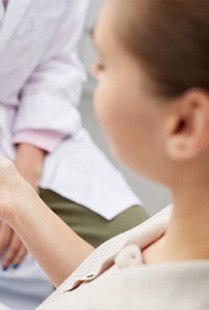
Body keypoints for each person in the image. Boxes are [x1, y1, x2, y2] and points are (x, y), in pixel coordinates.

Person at [0, 0, 209, 309]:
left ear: (184, 125)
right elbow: (105, 287)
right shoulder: (177, 228)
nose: (93, 70)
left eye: (104, 63)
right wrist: (17, 198)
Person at [0, 0, 148, 309]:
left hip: (30, 127)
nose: (97, 70)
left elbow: (56, 62)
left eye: (105, 64)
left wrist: (30, 159)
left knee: (131, 246)